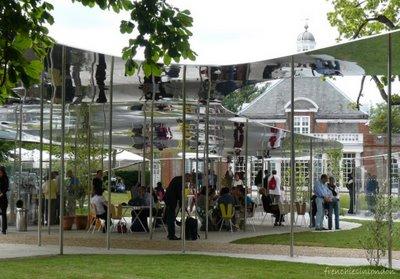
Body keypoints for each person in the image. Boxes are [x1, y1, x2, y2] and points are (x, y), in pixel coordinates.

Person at [164, 174, 190, 240]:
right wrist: (182, 204)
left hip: (169, 199)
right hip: (171, 200)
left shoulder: (177, 179)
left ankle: (170, 234)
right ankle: (171, 235)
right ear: (186, 177)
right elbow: (180, 193)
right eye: (188, 179)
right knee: (171, 218)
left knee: (171, 217)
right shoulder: (180, 181)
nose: (188, 181)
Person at [0, 166, 9, 234]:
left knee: (3, 214)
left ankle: (4, 229)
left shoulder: (5, 178)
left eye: (0, 172)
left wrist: (2, 193)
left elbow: (6, 188)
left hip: (3, 199)